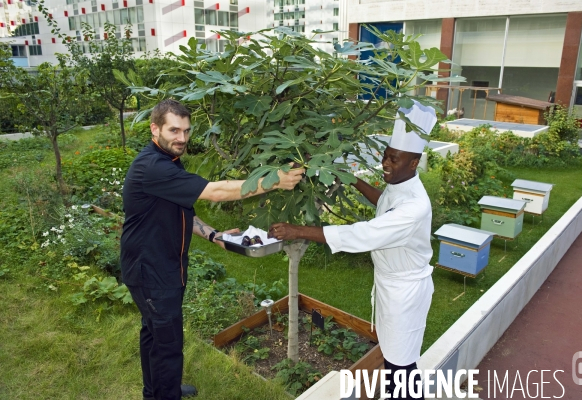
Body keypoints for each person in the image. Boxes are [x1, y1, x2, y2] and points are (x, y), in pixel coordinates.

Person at [120, 99, 304, 400]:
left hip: (161, 266)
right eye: (174, 130)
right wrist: (273, 181)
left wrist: (212, 234)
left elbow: (181, 208)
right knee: (167, 342)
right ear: (155, 129)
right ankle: (165, 394)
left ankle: (157, 390)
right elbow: (215, 191)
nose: (182, 138)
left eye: (187, 131)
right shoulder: (152, 167)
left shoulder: (167, 160)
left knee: (155, 335)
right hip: (151, 271)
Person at [268, 100, 437, 400]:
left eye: (394, 159)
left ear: (413, 163)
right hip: (390, 286)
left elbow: (363, 234)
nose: (385, 163)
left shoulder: (415, 207)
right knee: (395, 359)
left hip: (405, 294)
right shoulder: (402, 186)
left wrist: (297, 230)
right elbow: (384, 201)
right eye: (385, 155)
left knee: (401, 365)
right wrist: (353, 179)